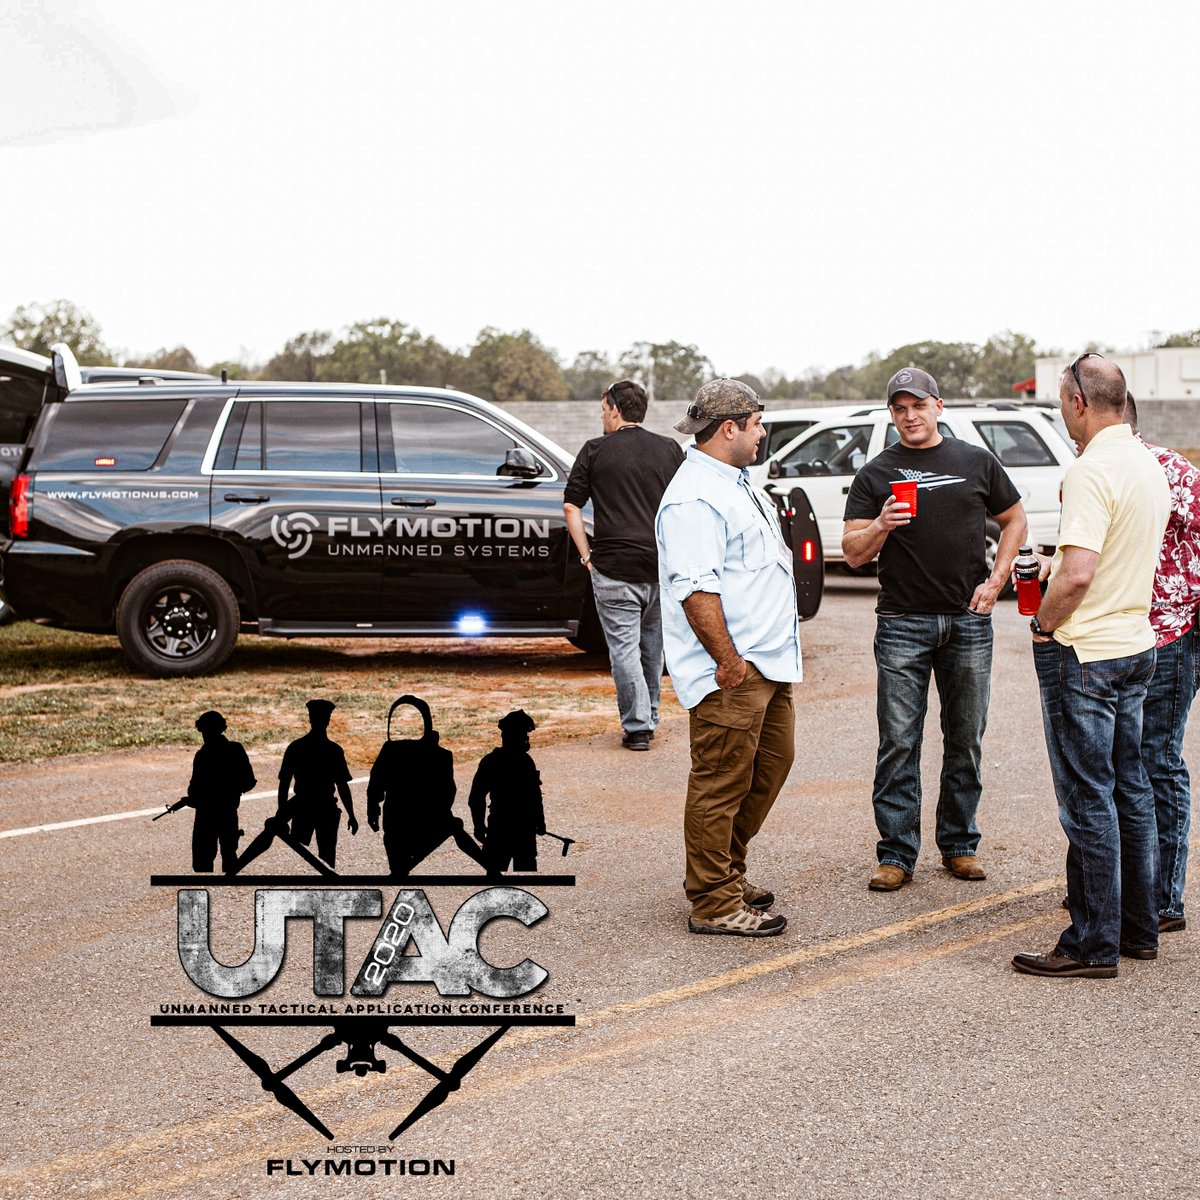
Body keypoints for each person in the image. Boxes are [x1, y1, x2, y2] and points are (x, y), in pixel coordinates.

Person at [1011, 354, 1170, 979]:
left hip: (1088, 653)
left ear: (1079, 403)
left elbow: (1078, 575)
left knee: (1088, 799)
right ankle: (1138, 929)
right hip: (1135, 641)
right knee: (1132, 789)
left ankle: (1091, 943)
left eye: (1060, 404)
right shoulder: (1148, 463)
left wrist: (1043, 625)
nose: (1062, 414)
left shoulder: (1089, 469)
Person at [843, 368, 1027, 891]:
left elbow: (1014, 519)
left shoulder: (975, 461)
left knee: (965, 738)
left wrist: (997, 580)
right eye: (900, 408)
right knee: (899, 742)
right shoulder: (875, 473)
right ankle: (896, 853)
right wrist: (880, 524)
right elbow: (853, 553)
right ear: (891, 414)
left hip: (969, 621)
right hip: (902, 622)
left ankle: (960, 845)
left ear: (938, 407)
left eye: (918, 405)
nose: (910, 416)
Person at [656, 378, 802, 937]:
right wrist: (728, 661)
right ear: (729, 428)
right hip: (734, 668)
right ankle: (714, 901)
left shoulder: (736, 481)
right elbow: (696, 589)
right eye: (757, 424)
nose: (763, 433)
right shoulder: (695, 497)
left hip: (767, 662)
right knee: (721, 782)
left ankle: (725, 872)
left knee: (769, 767)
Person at [564, 379, 685, 750]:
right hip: (660, 567)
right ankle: (649, 717)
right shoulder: (670, 449)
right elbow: (684, 505)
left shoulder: (594, 450)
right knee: (652, 649)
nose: (602, 416)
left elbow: (571, 506)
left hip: (613, 568)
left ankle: (638, 727)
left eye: (603, 409)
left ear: (615, 409)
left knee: (624, 651)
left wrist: (587, 556)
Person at [1125, 394, 1199, 934]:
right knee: (1119, 766)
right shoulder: (1099, 470)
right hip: (1118, 637)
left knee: (1157, 759)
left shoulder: (1169, 469)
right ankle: (1123, 887)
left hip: (1170, 635)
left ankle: (1164, 898)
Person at [366, 695, 488, 877]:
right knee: (454, 825)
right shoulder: (439, 755)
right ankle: (490, 868)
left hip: (398, 821)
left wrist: (373, 810)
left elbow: (376, 782)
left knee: (400, 862)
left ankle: (400, 869)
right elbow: (448, 792)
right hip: (418, 821)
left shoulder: (392, 750)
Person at [277, 699, 359, 868]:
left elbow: (284, 784)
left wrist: (282, 813)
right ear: (328, 720)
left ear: (310, 719)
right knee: (327, 857)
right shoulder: (334, 751)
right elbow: (342, 786)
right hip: (326, 808)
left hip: (302, 807)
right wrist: (351, 815)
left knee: (299, 853)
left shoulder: (296, 747)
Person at [469, 709, 546, 873]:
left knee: (496, 877)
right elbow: (534, 796)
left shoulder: (492, 761)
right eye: (523, 734)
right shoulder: (525, 762)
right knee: (524, 878)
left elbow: (476, 798)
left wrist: (479, 826)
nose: (526, 738)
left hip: (501, 829)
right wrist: (539, 821)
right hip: (520, 831)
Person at [184, 710, 256, 874]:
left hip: (206, 815)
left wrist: (195, 799)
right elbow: (249, 781)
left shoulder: (202, 755)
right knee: (229, 859)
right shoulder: (235, 749)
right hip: (228, 812)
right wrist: (232, 792)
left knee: (203, 863)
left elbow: (194, 790)